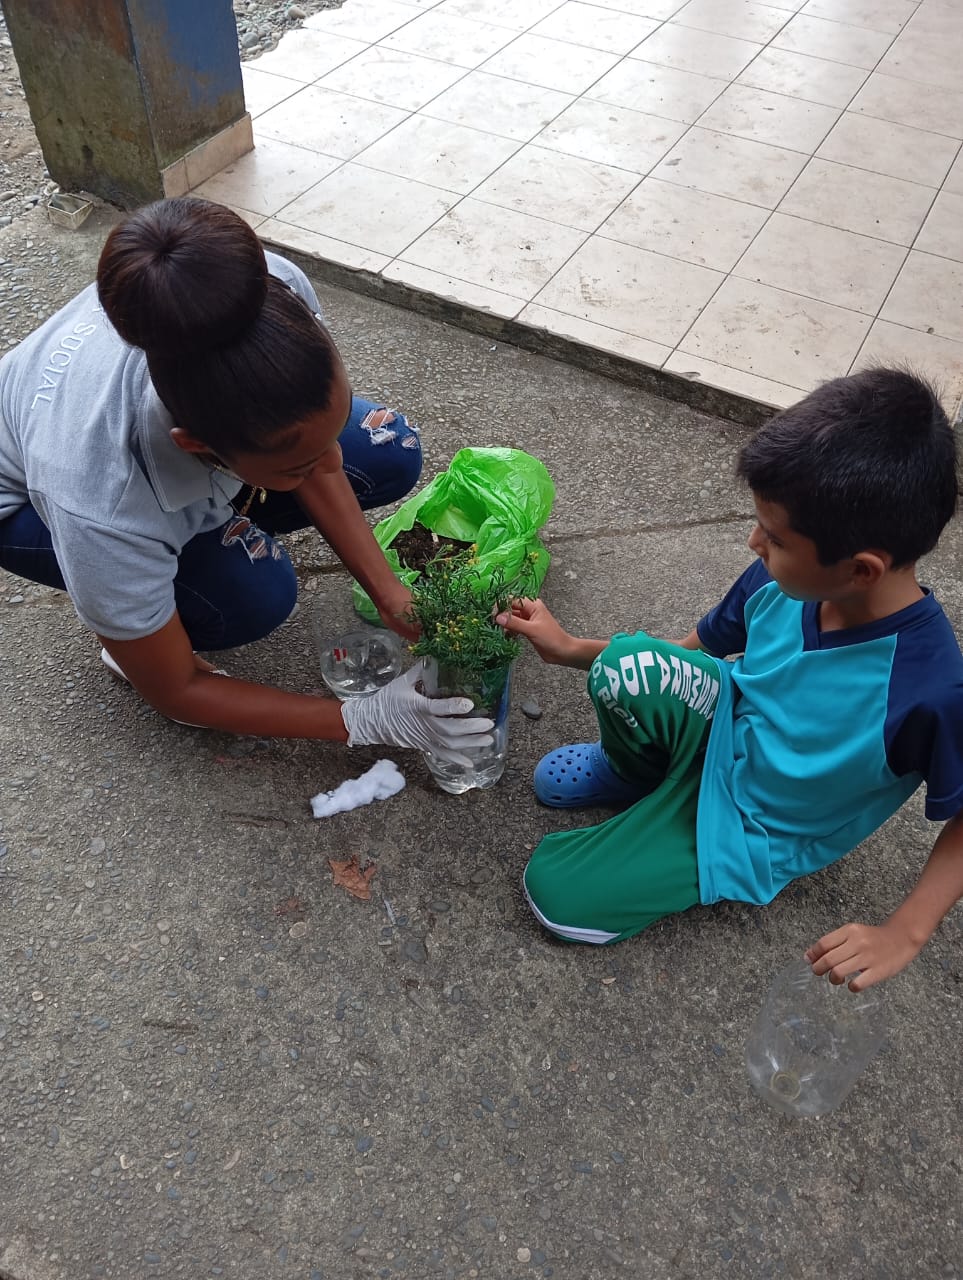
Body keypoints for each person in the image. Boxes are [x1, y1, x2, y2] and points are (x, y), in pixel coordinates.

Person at [497, 367, 963, 991]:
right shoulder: (781, 578)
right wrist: (573, 649)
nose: (753, 542)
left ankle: (672, 818)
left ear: (860, 570)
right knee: (625, 665)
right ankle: (637, 775)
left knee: (554, 896)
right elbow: (688, 656)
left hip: (751, 823)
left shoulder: (930, 690)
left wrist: (904, 932)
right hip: (721, 721)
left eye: (775, 537)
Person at [0, 196, 492, 763]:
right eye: (298, 466)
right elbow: (177, 690)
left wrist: (389, 592)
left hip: (178, 453)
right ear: (197, 446)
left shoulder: (260, 290)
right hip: (26, 506)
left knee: (387, 448)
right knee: (252, 594)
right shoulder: (103, 504)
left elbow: (319, 456)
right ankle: (132, 635)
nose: (330, 462)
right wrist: (362, 719)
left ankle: (213, 531)